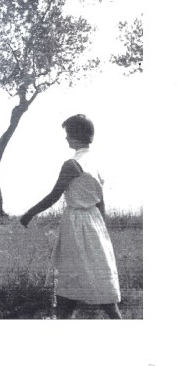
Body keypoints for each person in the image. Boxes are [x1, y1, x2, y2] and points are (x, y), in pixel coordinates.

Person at [20, 114, 122, 319]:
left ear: (77, 136)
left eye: (68, 134)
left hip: (77, 224)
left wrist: (29, 213)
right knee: (95, 271)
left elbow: (54, 195)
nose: (66, 138)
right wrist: (102, 228)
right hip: (95, 222)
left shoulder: (72, 164)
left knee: (72, 275)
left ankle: (71, 314)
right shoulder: (96, 161)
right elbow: (101, 201)